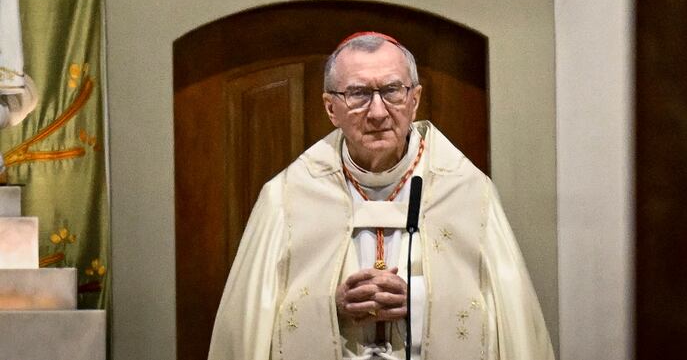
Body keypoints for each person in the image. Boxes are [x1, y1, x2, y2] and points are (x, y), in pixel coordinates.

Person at [207, 32, 554, 360]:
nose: (377, 112)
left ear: (414, 100)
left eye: (392, 91)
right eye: (358, 94)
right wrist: (332, 306)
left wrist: (419, 303)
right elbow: (246, 329)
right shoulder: (286, 197)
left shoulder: (468, 192)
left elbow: (510, 323)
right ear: (331, 108)